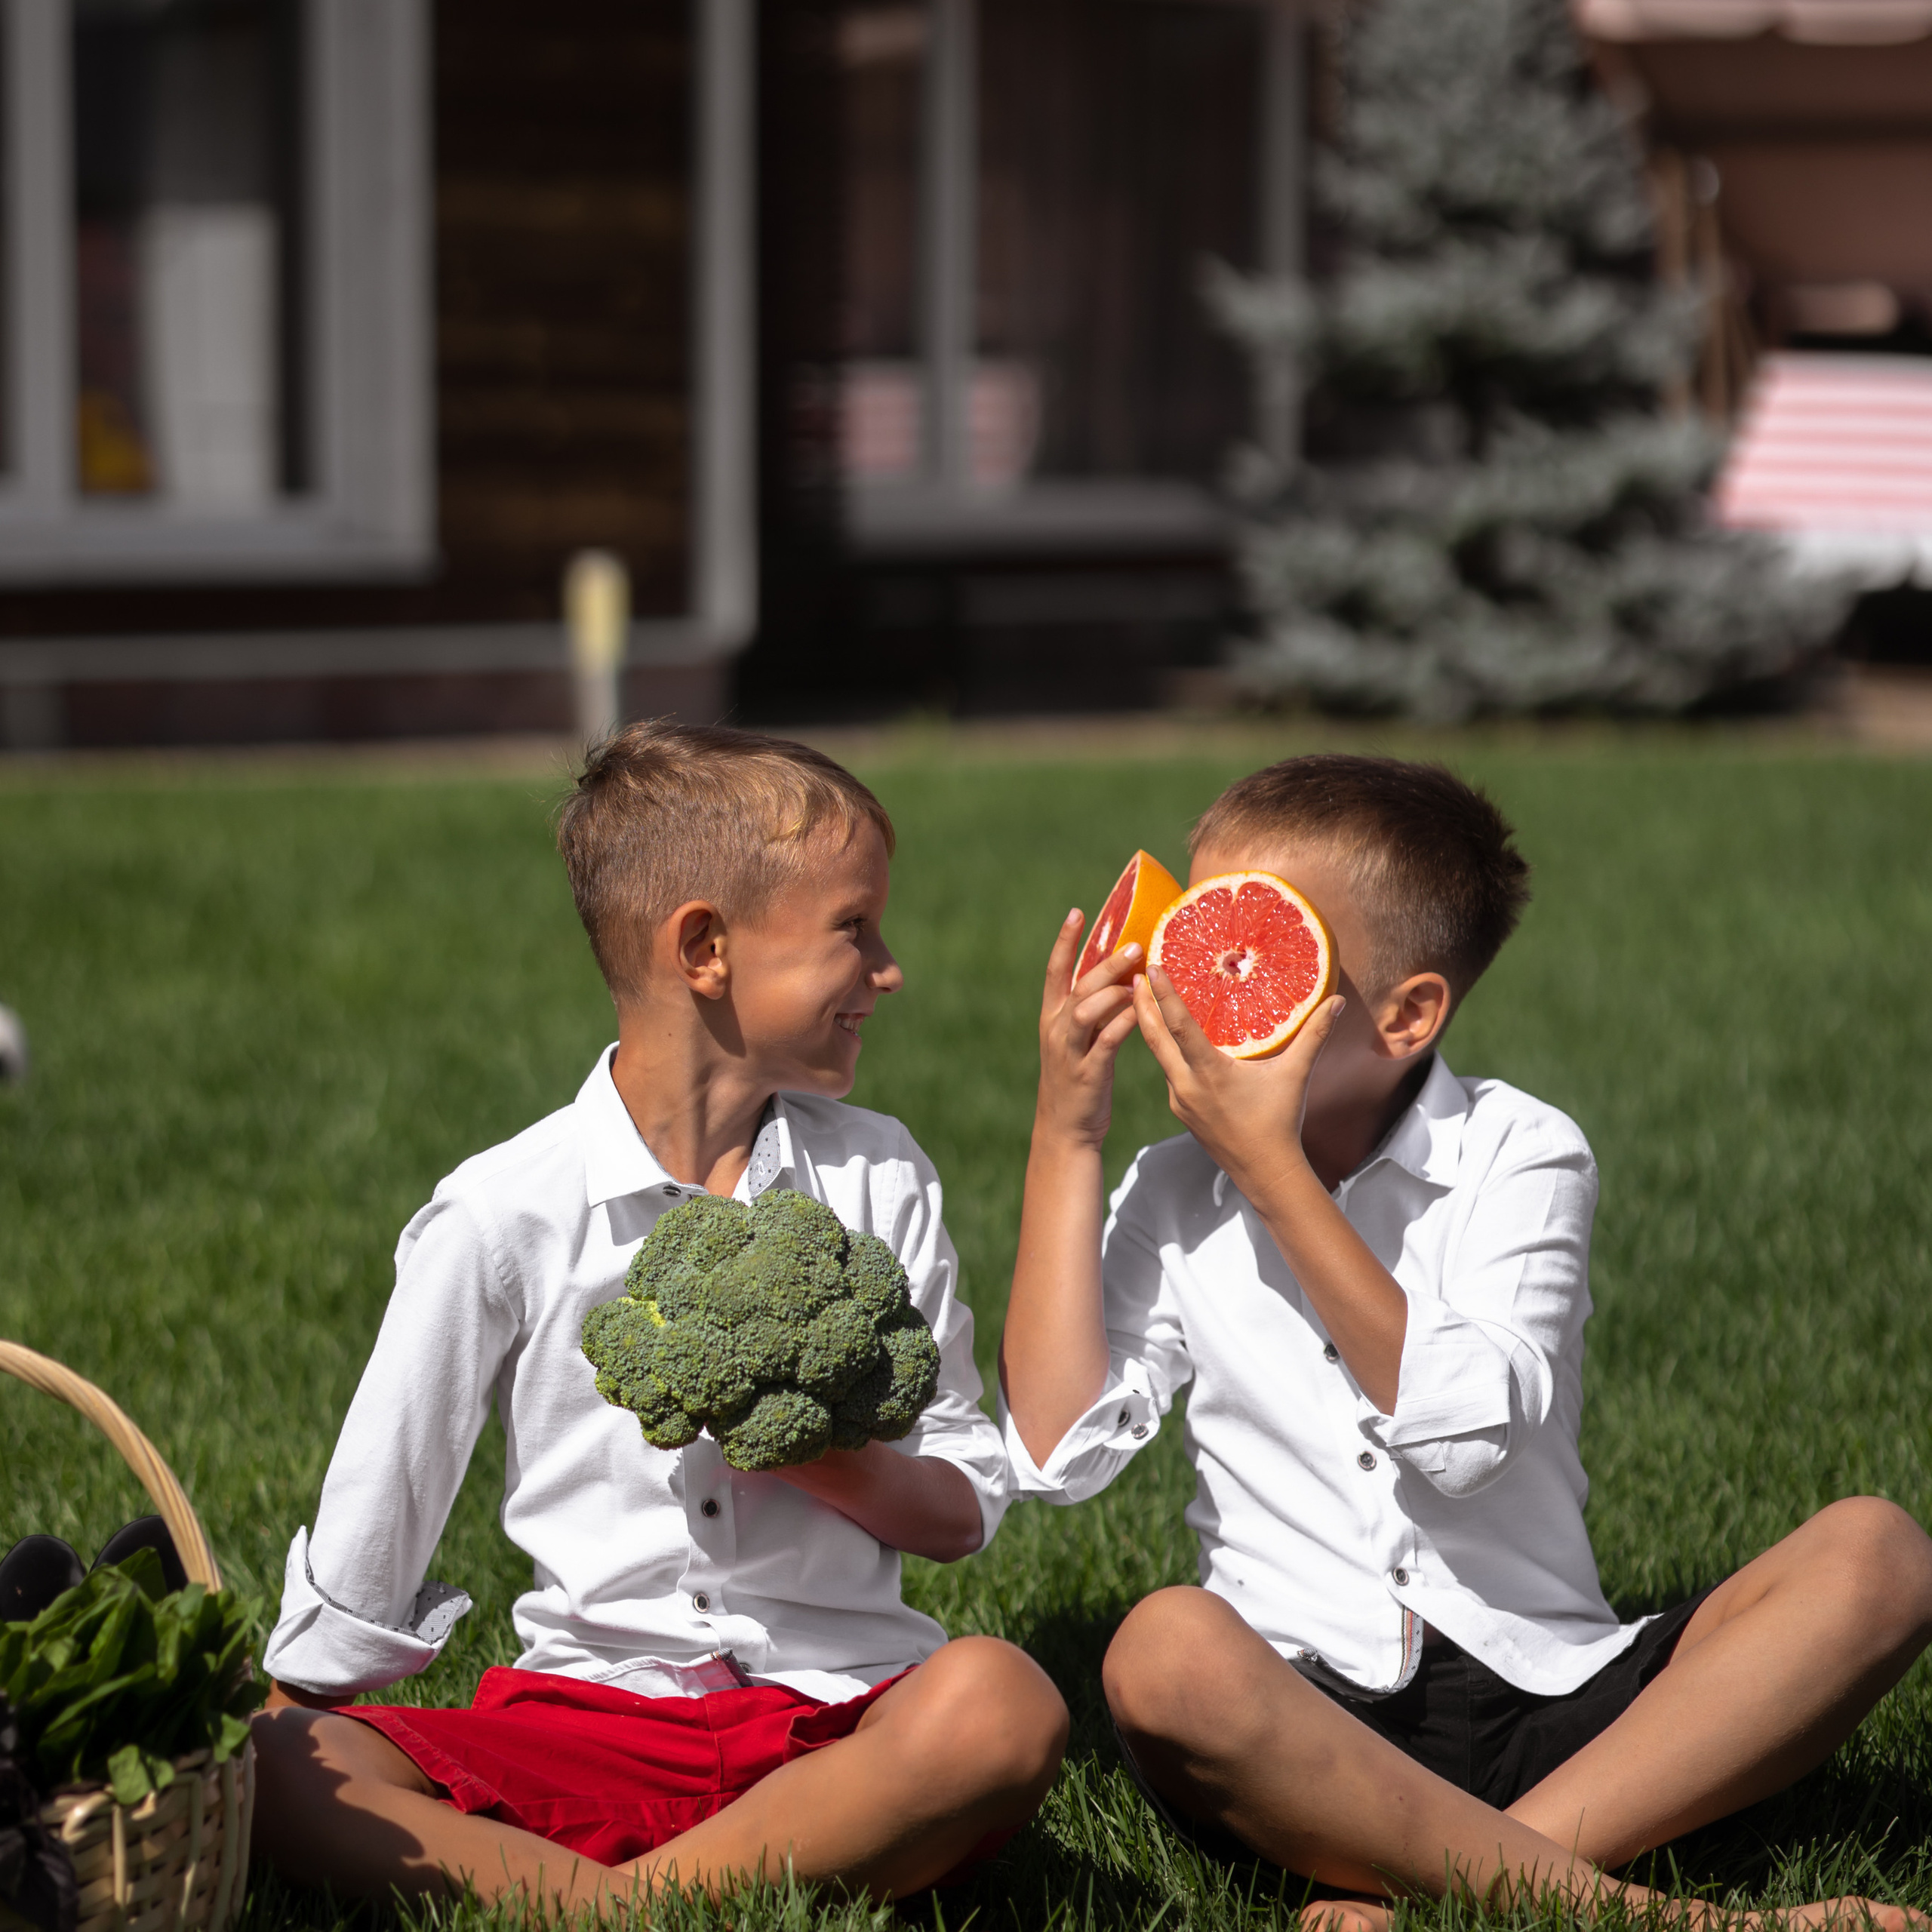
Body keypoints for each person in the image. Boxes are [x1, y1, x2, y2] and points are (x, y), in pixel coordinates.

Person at [1000, 753, 1932, 1931]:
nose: (1200, 977)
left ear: (1406, 1014)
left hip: (1561, 1696)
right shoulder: (1173, 1189)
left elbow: (1464, 1440)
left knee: (1880, 1554)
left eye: (1260, 948)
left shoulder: (1522, 1153)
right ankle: (1665, 1916)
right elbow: (1053, 1447)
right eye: (1196, 930)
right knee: (1161, 1650)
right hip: (1304, 1714)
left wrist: (1273, 1172)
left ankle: (1444, 1877)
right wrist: (1067, 1130)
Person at [252, 721, 1066, 1913]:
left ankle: (604, 1903)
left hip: (841, 1717)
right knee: (279, 1764)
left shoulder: (883, 1178)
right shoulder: (501, 1212)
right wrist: (307, 1699)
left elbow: (959, 1504)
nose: (889, 969)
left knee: (1006, 1701)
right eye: (854, 927)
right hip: (589, 1712)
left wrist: (825, 1461)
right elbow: (390, 1491)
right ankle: (662, 1902)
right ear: (705, 947)